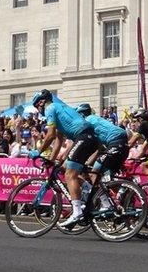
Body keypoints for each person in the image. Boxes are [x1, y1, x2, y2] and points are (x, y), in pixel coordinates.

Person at [29, 89, 99, 227]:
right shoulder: (59, 108)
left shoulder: (50, 108)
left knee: (69, 175)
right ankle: (100, 196)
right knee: (66, 168)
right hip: (90, 137)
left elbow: (49, 136)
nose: (38, 110)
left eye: (37, 106)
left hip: (83, 137)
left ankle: (77, 212)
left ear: (42, 102)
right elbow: (58, 140)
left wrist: (38, 151)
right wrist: (50, 159)